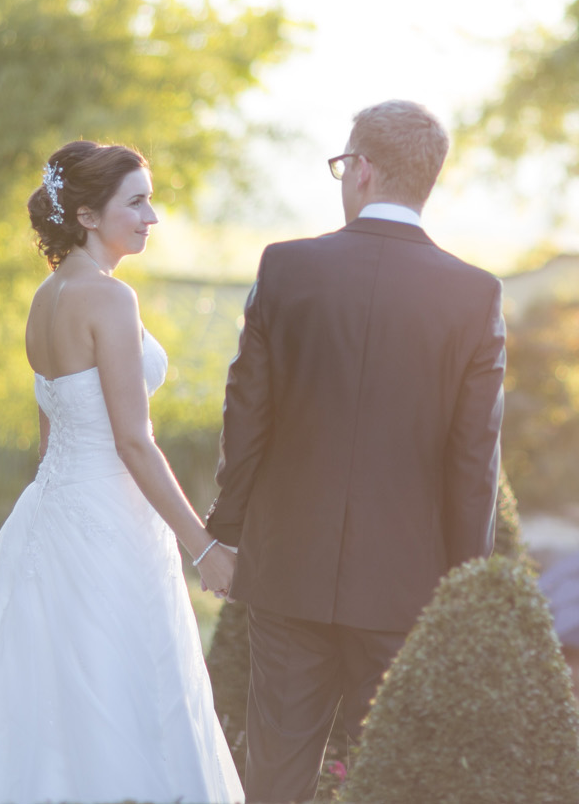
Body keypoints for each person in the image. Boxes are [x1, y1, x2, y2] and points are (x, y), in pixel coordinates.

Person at [0, 140, 244, 804]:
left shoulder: (46, 297)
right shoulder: (109, 300)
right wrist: (204, 547)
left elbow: (51, 431)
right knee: (114, 691)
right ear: (86, 215)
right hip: (109, 524)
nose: (152, 217)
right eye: (136, 202)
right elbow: (134, 442)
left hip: (50, 516)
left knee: (41, 699)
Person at [205, 100, 507, 804]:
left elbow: (246, 419)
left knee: (274, 779)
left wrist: (226, 530)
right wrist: (465, 593)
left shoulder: (286, 267)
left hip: (288, 573)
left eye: (343, 164)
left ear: (363, 169)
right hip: (405, 589)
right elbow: (474, 463)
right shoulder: (475, 295)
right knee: (395, 783)